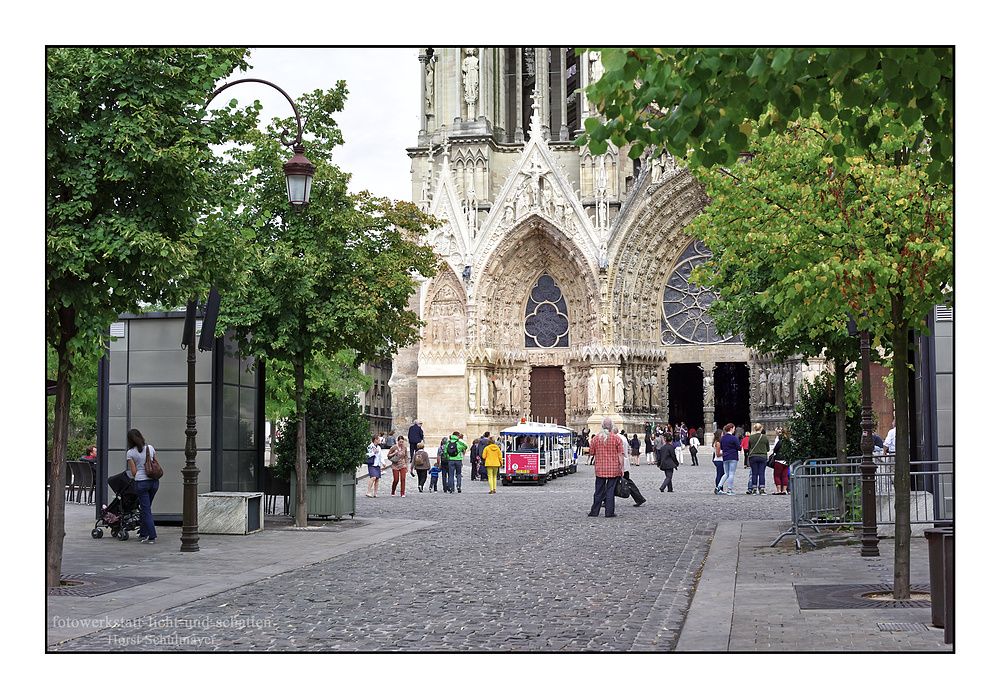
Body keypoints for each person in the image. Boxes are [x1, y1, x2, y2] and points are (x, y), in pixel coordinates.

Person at [588, 417, 624, 518]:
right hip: (613, 469)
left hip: (600, 469)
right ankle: (609, 512)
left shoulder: (595, 438)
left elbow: (591, 453)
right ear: (611, 426)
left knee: (599, 490)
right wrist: (622, 468)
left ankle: (594, 511)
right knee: (610, 491)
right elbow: (620, 454)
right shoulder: (617, 438)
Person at [126, 428, 158, 544]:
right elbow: (155, 463)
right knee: (147, 507)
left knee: (146, 509)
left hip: (141, 482)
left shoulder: (130, 453)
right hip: (154, 482)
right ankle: (143, 532)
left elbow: (133, 471)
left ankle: (151, 535)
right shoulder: (150, 448)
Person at [716, 423, 741, 495]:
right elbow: (738, 448)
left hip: (725, 457)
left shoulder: (723, 438)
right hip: (733, 457)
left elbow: (722, 448)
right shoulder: (734, 438)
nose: (734, 430)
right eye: (734, 428)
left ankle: (719, 486)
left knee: (726, 473)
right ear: (731, 429)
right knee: (731, 473)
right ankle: (729, 489)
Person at [746, 423, 769, 495]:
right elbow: (767, 448)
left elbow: (749, 447)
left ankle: (754, 489)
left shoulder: (751, 437)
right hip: (763, 457)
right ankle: (762, 489)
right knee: (761, 473)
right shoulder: (765, 437)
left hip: (753, 457)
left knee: (754, 473)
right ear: (761, 428)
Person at [772, 428, 789, 495]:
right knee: (785, 476)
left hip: (779, 460)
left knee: (776, 475)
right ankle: (784, 490)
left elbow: (775, 450)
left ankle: (779, 490)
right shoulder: (789, 442)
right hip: (787, 460)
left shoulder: (781, 441)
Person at [712, 429, 724, 493]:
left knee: (721, 474)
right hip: (719, 460)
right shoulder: (718, 443)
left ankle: (720, 488)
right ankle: (718, 488)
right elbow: (718, 454)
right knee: (720, 474)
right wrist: (724, 452)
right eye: (722, 434)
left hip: (718, 460)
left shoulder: (716, 442)